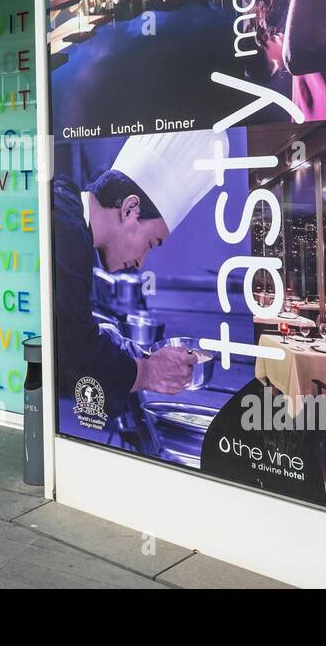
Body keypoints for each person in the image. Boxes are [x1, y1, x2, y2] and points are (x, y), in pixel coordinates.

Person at [53, 132, 218, 426]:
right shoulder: (68, 233)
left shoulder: (66, 203)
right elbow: (75, 356)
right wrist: (149, 372)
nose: (141, 263)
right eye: (151, 243)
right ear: (130, 210)